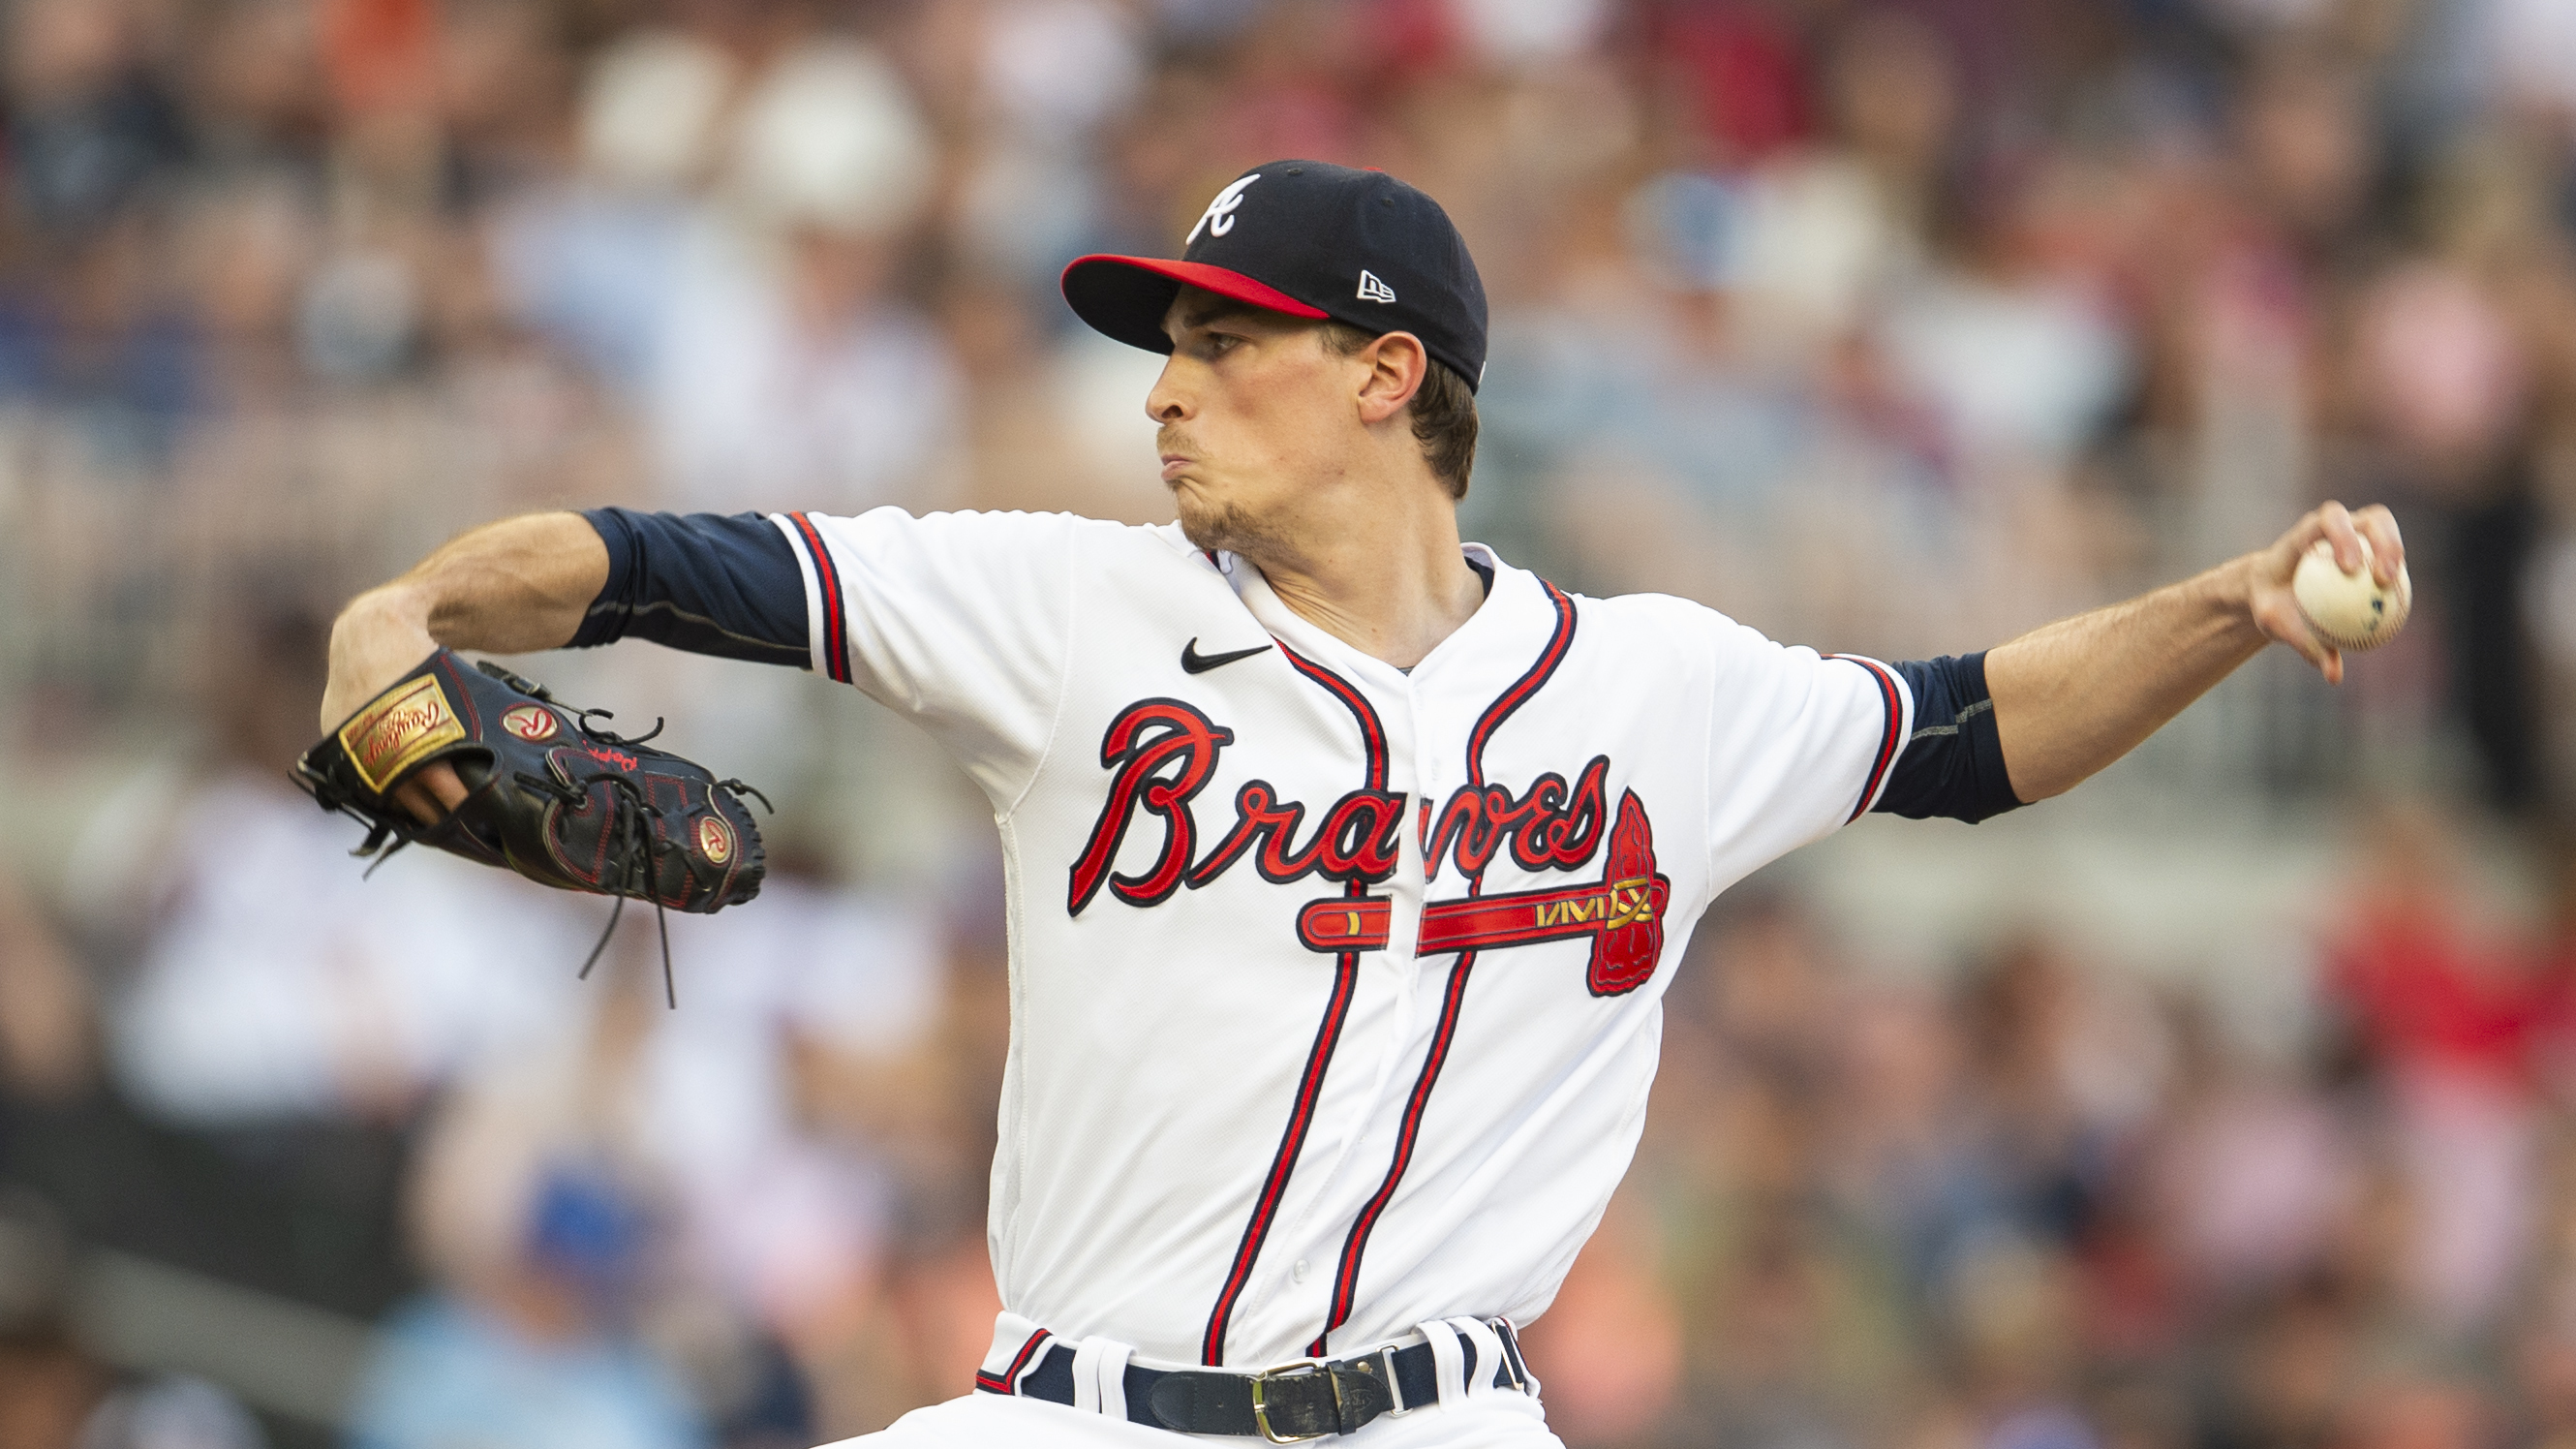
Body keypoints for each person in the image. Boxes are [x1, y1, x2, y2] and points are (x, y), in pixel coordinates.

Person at [318, 162, 2404, 1447]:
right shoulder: (1073, 609)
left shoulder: (1651, 691)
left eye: (1224, 345)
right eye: (1167, 347)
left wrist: (2224, 604)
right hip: (1076, 1417)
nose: (1162, 386)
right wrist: (407, 603)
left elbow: (1959, 734)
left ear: (1389, 378)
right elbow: (669, 560)